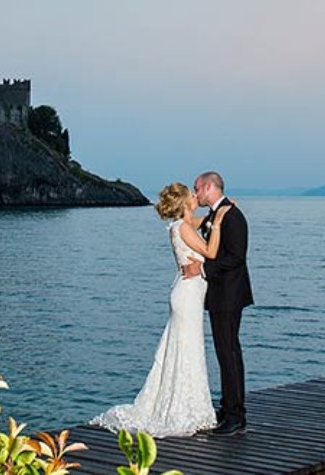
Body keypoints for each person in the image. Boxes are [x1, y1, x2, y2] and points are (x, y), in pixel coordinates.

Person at [91, 182, 233, 437]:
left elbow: (200, 222)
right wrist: (220, 222)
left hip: (187, 293)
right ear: (186, 203)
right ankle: (186, 410)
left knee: (183, 347)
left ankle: (189, 406)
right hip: (188, 296)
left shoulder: (185, 225)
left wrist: (214, 214)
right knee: (187, 348)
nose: (195, 195)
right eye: (192, 194)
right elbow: (211, 252)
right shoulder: (184, 229)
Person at [182, 170, 252, 435]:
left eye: (197, 188)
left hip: (229, 294)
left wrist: (201, 269)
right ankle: (229, 406)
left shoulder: (231, 216)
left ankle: (236, 415)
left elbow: (236, 257)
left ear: (209, 187)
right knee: (226, 351)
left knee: (229, 352)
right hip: (222, 294)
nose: (195, 193)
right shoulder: (217, 213)